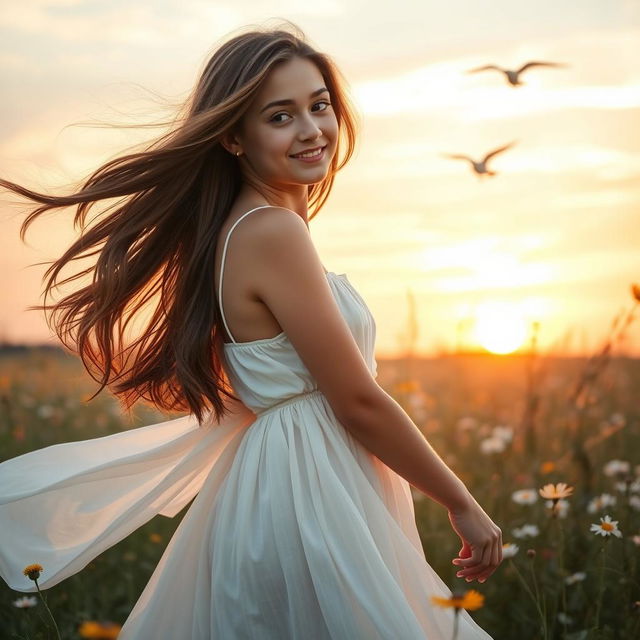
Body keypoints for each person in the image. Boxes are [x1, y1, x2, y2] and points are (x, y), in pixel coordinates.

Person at [0, 21, 501, 639]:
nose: (312, 129)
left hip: (295, 478)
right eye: (280, 116)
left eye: (319, 106)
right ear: (234, 138)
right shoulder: (270, 231)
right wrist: (462, 502)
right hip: (308, 490)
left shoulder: (248, 227)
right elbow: (358, 400)